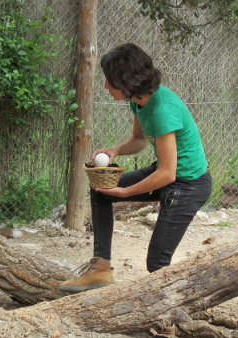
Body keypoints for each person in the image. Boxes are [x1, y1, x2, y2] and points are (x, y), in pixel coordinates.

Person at [59, 43, 212, 292]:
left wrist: (126, 193)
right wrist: (116, 150)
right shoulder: (138, 101)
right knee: (100, 191)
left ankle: (174, 313)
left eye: (109, 80)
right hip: (167, 174)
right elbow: (139, 140)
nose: (106, 86)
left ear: (126, 80)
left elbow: (167, 173)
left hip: (189, 185)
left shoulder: (164, 110)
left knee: (157, 264)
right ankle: (100, 270)